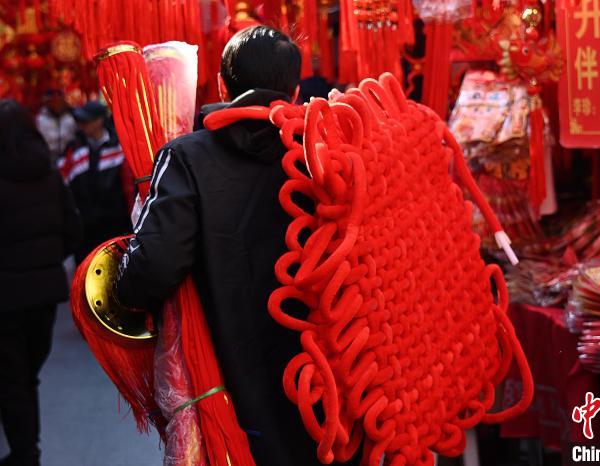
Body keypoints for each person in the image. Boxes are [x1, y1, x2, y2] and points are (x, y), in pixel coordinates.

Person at [116, 26, 348, 466]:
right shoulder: (330, 153)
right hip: (331, 388)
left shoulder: (186, 157)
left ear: (223, 85)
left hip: (229, 391)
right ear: (295, 90)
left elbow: (150, 271)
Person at [0, 99, 82, 466]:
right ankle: (25, 449)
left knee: (12, 379)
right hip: (45, 292)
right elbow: (72, 229)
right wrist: (48, 261)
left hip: (6, 295)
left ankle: (24, 452)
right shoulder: (50, 174)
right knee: (25, 374)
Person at [58, 101, 133, 262]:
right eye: (79, 121)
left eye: (86, 121)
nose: (81, 125)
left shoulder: (118, 147)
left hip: (115, 230)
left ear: (100, 121)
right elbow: (62, 183)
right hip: (84, 232)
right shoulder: (74, 149)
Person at [35, 89, 77, 164]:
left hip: (70, 159)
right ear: (46, 103)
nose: (56, 104)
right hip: (47, 160)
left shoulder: (73, 116)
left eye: (59, 100)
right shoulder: (40, 119)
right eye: (52, 101)